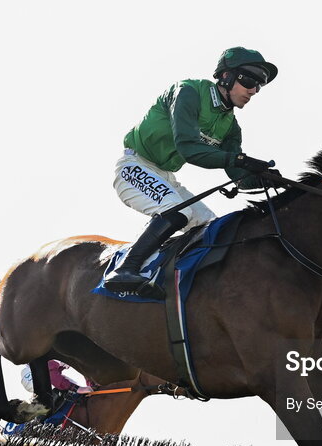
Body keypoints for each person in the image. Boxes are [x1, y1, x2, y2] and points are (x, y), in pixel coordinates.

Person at [104, 46, 280, 298]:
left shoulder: (231, 126)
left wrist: (268, 179)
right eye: (249, 80)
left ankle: (168, 276)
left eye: (259, 85)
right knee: (178, 211)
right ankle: (125, 269)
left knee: (208, 226)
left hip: (165, 176)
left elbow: (237, 174)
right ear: (226, 77)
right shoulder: (188, 92)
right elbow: (188, 149)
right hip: (134, 166)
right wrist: (241, 159)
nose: (253, 90)